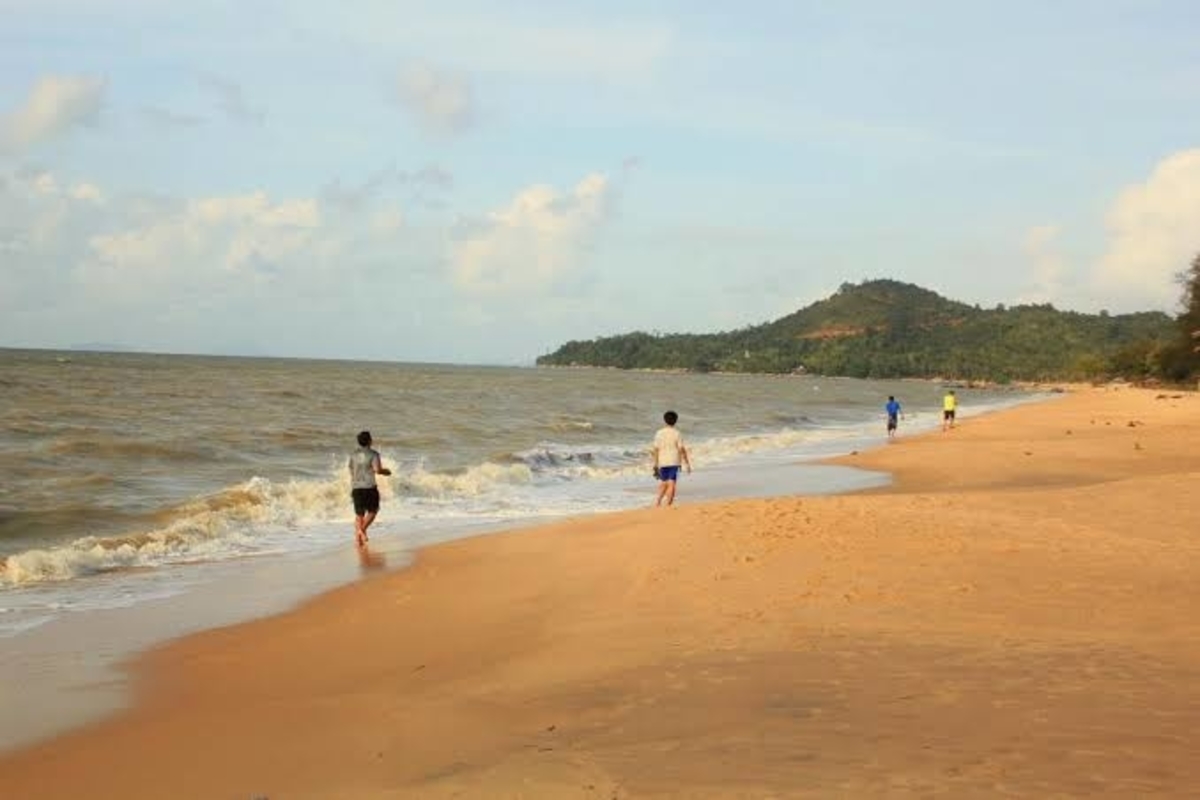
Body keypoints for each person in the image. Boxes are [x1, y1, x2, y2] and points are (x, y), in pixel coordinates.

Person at [348, 430, 391, 547]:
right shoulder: (374, 454)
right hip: (369, 487)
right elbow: (377, 470)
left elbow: (351, 469)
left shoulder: (353, 454)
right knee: (373, 511)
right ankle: (361, 530)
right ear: (369, 441)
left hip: (356, 487)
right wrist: (386, 472)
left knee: (359, 514)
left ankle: (358, 539)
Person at [651, 410, 692, 507]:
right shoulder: (677, 433)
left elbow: (656, 449)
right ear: (675, 421)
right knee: (672, 483)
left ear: (664, 420)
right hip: (674, 461)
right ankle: (668, 504)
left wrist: (656, 464)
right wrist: (687, 463)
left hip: (662, 462)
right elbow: (681, 449)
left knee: (664, 483)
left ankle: (658, 502)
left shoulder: (659, 433)